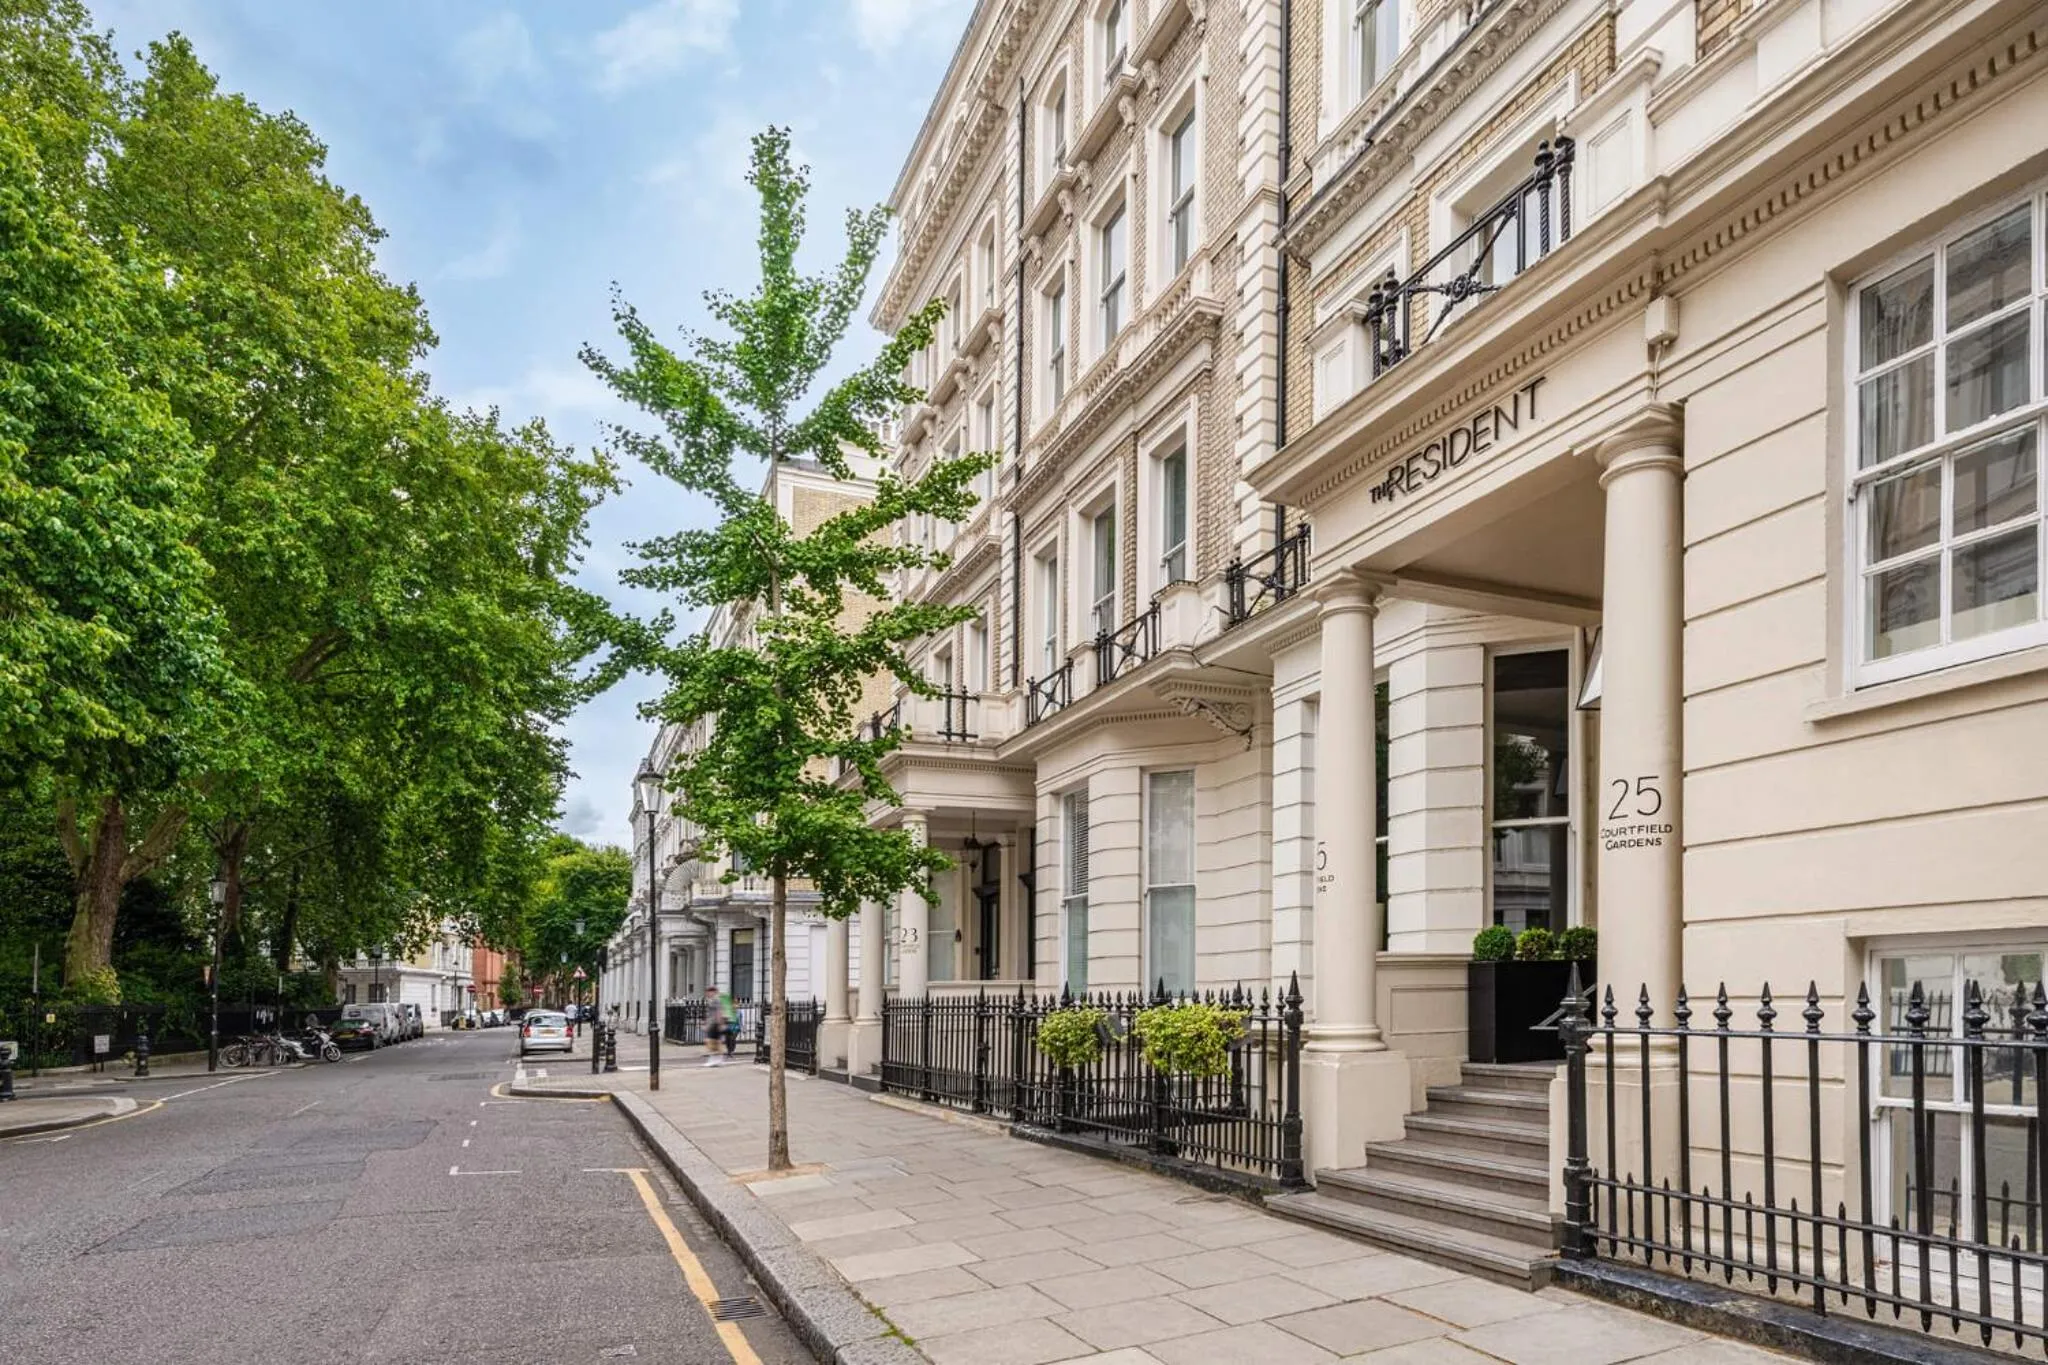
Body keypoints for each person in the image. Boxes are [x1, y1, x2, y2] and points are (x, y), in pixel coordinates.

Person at [701, 987, 724, 1066]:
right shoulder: (712, 1001)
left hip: (714, 1024)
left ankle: (715, 1060)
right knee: (713, 1042)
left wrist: (720, 1023)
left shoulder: (716, 1000)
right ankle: (717, 1060)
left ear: (713, 992)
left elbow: (718, 1012)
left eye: (709, 992)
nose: (707, 994)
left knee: (712, 1042)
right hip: (712, 1023)